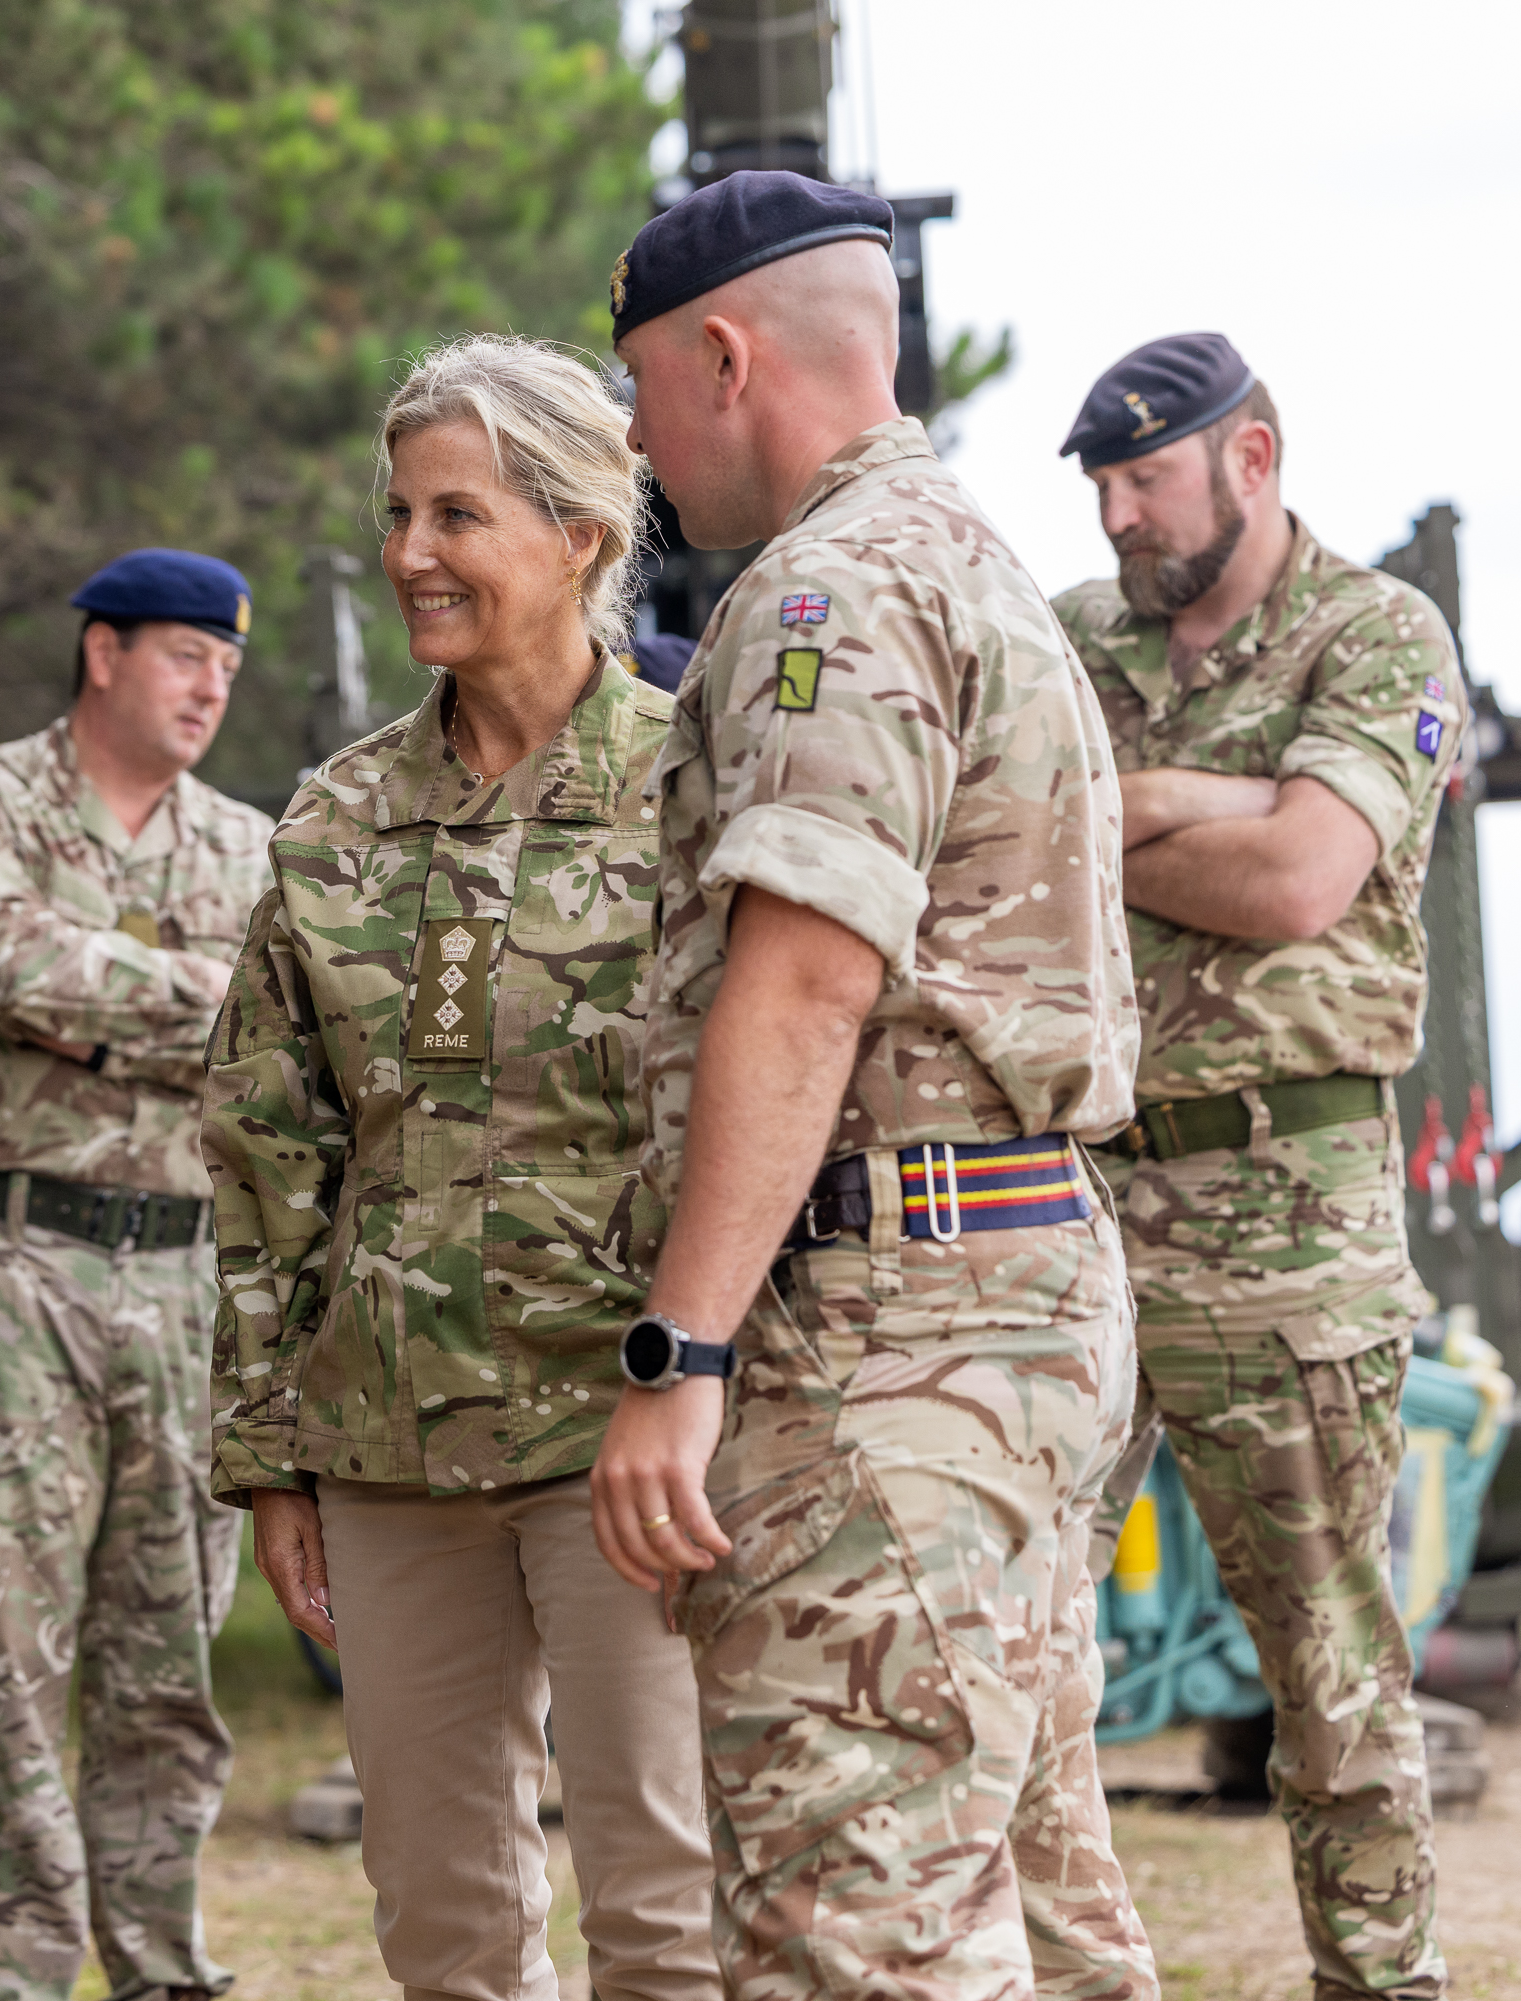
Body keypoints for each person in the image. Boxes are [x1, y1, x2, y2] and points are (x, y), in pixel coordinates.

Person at [595, 170, 1158, 1998]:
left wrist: (679, 1352)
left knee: (860, 1931)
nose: (643, 453)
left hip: (885, 1340)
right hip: (1009, 1303)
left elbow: (810, 972)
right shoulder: (976, 563)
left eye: (642, 397)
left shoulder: (828, 592)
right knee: (1029, 1895)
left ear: (724, 356)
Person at [208, 334, 720, 2001]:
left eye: (458, 515)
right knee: (444, 1919)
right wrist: (275, 1460)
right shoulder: (334, 823)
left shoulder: (703, 789)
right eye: (399, 513)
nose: (412, 554)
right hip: (390, 1453)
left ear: (579, 534)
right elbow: (270, 1153)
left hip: (633, 1442)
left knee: (666, 1904)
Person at [1055, 333, 1457, 2001]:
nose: (1120, 516)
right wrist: (1203, 802)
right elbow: (1005, 846)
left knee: (1327, 1673)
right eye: (1100, 488)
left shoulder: (1375, 633)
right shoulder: (1072, 638)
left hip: (1287, 1219)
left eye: (1146, 479)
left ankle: (1380, 1983)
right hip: (1066, 1206)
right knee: (1012, 1648)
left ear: (1253, 456)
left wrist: (1131, 802)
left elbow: (1303, 878)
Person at [0, 547, 271, 2001]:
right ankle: (15, 1972)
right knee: (1, 1652)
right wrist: (195, 1002)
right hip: (13, 1257)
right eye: (186, 656)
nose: (212, 686)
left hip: (186, 1274)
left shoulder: (247, 847)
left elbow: (273, 1029)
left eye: (227, 666)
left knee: (166, 1659)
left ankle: (163, 1962)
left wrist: (108, 1008)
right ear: (103, 652)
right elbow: (4, 960)